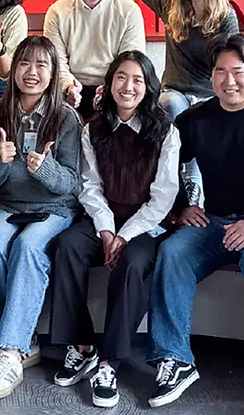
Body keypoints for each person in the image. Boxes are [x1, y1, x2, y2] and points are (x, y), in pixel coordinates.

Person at [146, 34, 244, 408]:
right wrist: (184, 205)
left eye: (238, 72)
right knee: (172, 252)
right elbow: (169, 165)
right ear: (211, 75)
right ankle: (174, 357)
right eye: (220, 71)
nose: (229, 80)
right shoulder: (195, 119)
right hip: (215, 221)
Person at [50, 50, 178, 408]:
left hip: (145, 225)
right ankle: (82, 345)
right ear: (109, 84)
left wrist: (125, 234)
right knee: (67, 247)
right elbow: (88, 186)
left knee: (133, 264)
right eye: (121, 77)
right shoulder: (93, 128)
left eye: (138, 79)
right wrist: (107, 230)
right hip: (101, 218)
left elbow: (163, 197)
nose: (128, 86)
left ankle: (109, 361)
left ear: (148, 86)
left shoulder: (165, 131)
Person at [0, 36, 82, 399]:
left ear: (53, 73)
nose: (31, 73)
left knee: (28, 246)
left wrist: (46, 170)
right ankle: (24, 339)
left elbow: (71, 182)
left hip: (53, 209)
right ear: (12, 68)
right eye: (24, 64)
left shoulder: (66, 118)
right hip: (8, 205)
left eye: (41, 65)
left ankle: (8, 352)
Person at [114, 0, 238, 120]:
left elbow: (237, 56)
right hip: (175, 91)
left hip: (211, 92)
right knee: (168, 104)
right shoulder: (171, 8)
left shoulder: (226, 16)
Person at [43, 0, 146, 121]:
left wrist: (109, 90)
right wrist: (69, 87)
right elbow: (56, 61)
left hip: (115, 86)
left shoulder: (129, 11)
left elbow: (132, 62)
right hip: (71, 86)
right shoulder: (57, 12)